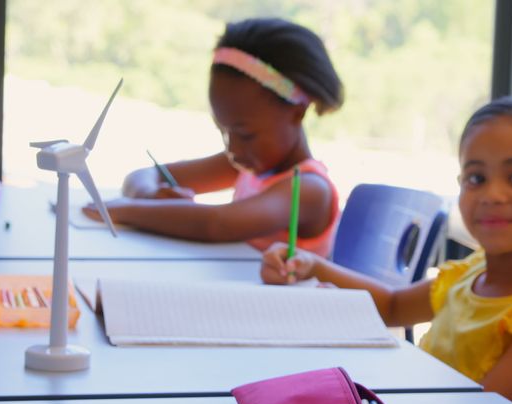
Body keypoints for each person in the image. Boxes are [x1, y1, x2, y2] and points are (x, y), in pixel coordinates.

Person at [261, 96, 512, 404]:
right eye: (476, 178)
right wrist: (314, 267)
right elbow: (394, 306)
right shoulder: (473, 271)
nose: (492, 194)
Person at [83, 18, 343, 255]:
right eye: (223, 131)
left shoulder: (309, 189)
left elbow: (216, 225)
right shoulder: (244, 164)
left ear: (297, 112)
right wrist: (150, 195)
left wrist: (124, 210)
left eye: (246, 134)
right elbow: (144, 175)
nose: (233, 149)